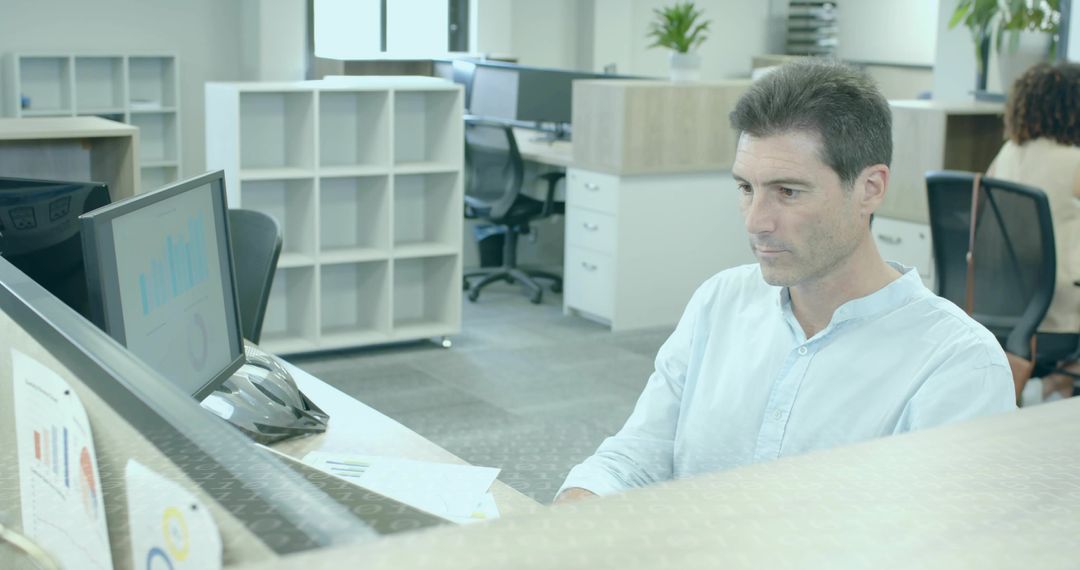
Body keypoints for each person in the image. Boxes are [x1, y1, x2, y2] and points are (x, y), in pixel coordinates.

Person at [554, 60, 1016, 504]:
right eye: (745, 188)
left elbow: (945, 547)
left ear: (870, 188)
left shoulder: (958, 366)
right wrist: (579, 504)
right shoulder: (721, 301)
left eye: (788, 192)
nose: (756, 221)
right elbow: (638, 456)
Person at [986, 62, 1080, 403]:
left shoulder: (1006, 154)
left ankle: (1056, 388)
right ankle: (1057, 385)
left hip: (1003, 303)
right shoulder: (1074, 161)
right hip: (1056, 312)